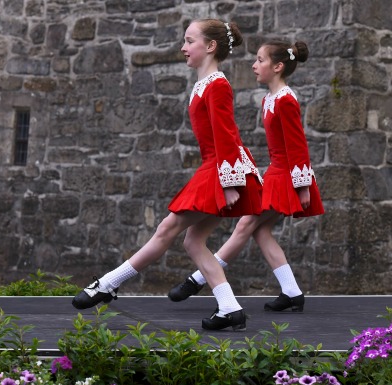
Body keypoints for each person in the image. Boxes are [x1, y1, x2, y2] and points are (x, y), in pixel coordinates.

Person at [72, 19, 263, 331]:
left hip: (222, 169)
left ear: (210, 46)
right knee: (193, 241)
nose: (183, 48)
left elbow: (227, 135)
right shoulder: (206, 83)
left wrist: (229, 183)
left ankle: (106, 284)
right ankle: (230, 307)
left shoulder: (217, 84)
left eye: (189, 41)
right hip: (219, 168)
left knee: (167, 229)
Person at [168, 40, 324, 312]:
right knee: (260, 231)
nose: (254, 65)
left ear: (277, 67)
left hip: (285, 176)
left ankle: (197, 279)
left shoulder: (286, 99)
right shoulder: (269, 99)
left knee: (245, 226)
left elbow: (297, 145)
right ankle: (291, 290)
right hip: (276, 173)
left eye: (260, 60)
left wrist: (303, 186)